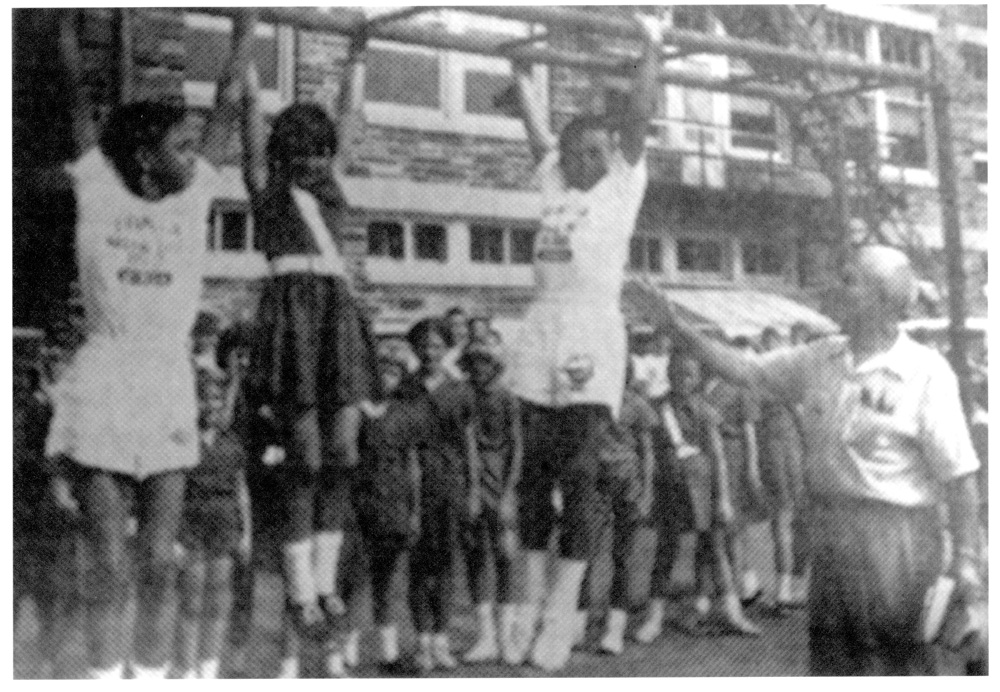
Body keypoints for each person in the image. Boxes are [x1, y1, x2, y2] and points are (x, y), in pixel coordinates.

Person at [627, 245, 984, 674]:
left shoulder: (926, 372)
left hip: (898, 539)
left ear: (882, 300)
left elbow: (960, 476)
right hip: (832, 533)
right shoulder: (820, 357)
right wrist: (676, 328)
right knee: (834, 663)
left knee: (896, 664)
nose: (835, 287)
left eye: (849, 279)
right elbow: (747, 370)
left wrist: (966, 561)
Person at [42, 10, 256, 679]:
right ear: (143, 155)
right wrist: (65, 28)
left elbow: (226, 101)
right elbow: (76, 91)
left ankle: (156, 673)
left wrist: (246, 23)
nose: (194, 155)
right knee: (108, 557)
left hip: (165, 379)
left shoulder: (194, 198)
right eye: (180, 145)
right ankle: (108, 676)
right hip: (105, 375)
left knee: (160, 559)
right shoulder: (100, 188)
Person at [499, 13, 662, 672]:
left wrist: (651, 45)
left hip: (592, 326)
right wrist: (517, 65)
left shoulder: (622, 185)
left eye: (601, 150)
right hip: (542, 324)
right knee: (533, 473)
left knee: (584, 474)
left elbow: (641, 114)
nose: (590, 160)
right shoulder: (553, 181)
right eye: (579, 151)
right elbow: (536, 130)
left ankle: (561, 617)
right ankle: (525, 609)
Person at [242, 33, 380, 678]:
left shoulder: (335, 182)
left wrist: (357, 58)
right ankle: (301, 587)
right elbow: (247, 124)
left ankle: (324, 581)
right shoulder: (268, 191)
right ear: (282, 154)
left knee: (344, 454)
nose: (317, 160)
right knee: (305, 459)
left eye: (322, 151)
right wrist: (244, 51)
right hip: (291, 320)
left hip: (337, 317)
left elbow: (350, 126)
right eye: (302, 151)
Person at [635, 350, 759, 642]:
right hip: (671, 487)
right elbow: (648, 453)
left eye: (689, 374)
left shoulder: (705, 410)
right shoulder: (657, 407)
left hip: (704, 489)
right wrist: (647, 492)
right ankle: (653, 618)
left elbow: (718, 456)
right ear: (668, 374)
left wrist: (724, 498)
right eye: (677, 373)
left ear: (698, 377)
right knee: (666, 551)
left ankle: (733, 613)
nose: (683, 379)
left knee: (716, 549)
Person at [352, 346, 432, 675]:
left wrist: (413, 512)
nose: (387, 377)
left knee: (388, 581)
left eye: (395, 372)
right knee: (355, 578)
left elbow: (413, 466)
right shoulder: (356, 411)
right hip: (359, 501)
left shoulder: (404, 413)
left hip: (393, 501)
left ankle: (388, 653)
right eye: (382, 370)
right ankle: (347, 649)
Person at [172, 358, 251, 679]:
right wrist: (174, 537)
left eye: (218, 399)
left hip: (226, 525)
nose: (212, 406)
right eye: (205, 398)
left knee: (218, 602)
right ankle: (187, 670)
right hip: (190, 526)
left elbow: (242, 491)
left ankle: (209, 670)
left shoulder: (233, 443)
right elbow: (173, 492)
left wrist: (246, 534)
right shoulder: (181, 440)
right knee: (190, 603)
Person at [406, 318, 474, 672]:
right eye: (423, 345)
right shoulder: (405, 387)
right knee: (418, 567)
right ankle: (421, 643)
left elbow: (469, 444)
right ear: (414, 348)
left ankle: (442, 640)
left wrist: (472, 490)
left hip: (449, 482)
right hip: (412, 484)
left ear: (446, 348)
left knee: (446, 564)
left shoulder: (460, 390)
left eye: (436, 346)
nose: (429, 352)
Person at [576, 365, 658, 656]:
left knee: (623, 558)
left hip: (629, 488)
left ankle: (615, 628)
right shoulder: (593, 405)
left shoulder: (638, 406)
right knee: (584, 554)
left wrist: (647, 492)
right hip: (595, 487)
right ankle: (577, 625)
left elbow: (648, 452)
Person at [457, 339, 524, 665]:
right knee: (475, 556)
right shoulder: (463, 396)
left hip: (501, 485)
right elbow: (466, 445)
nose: (479, 368)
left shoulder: (508, 399)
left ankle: (506, 636)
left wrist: (510, 491)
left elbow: (517, 447)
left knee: (506, 556)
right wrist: (470, 491)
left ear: (495, 365)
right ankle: (485, 637)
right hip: (471, 483)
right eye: (473, 363)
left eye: (485, 362)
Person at [757, 326, 806, 609]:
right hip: (785, 451)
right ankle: (786, 587)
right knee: (787, 522)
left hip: (778, 451)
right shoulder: (784, 383)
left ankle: (785, 587)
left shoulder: (767, 382)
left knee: (783, 523)